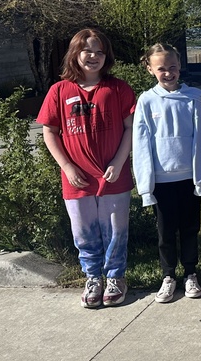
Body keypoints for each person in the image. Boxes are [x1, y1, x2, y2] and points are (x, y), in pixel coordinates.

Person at [38, 28, 135, 309]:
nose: (93, 56)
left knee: (116, 231)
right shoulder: (59, 90)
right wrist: (66, 166)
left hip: (113, 176)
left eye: (100, 51)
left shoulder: (118, 88)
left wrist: (119, 161)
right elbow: (49, 132)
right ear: (75, 54)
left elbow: (131, 128)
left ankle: (116, 277)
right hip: (77, 179)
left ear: (107, 56)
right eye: (87, 51)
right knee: (84, 233)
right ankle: (93, 277)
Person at [133, 43, 201, 303]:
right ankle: (168, 276)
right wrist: (146, 185)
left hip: (188, 178)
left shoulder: (194, 98)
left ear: (180, 67)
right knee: (165, 232)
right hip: (162, 180)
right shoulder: (146, 100)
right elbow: (141, 143)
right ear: (150, 69)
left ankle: (190, 273)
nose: (168, 73)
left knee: (190, 228)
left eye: (173, 67)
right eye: (161, 68)